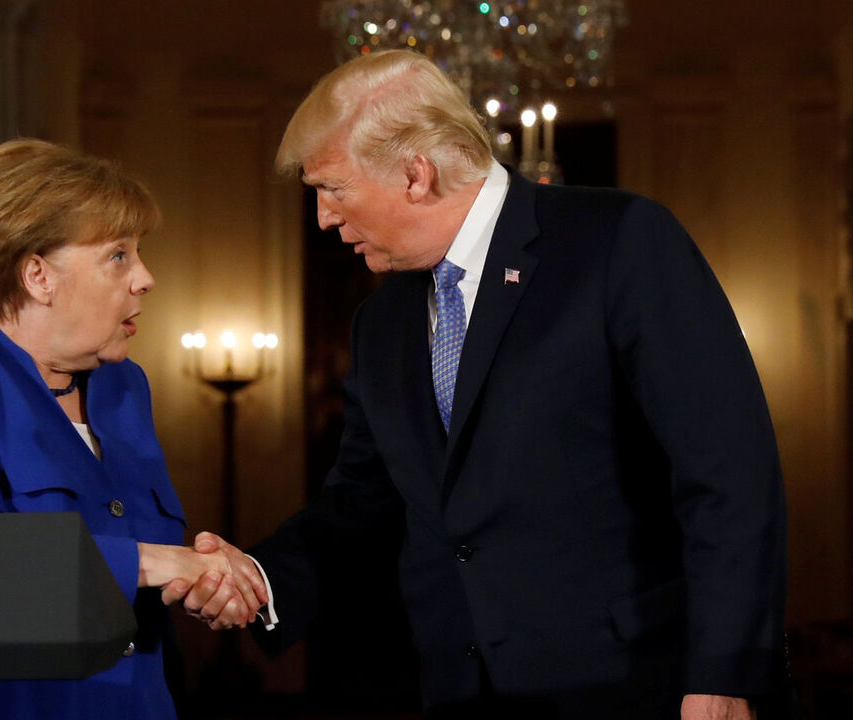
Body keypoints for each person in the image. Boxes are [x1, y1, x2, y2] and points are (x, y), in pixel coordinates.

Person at [164, 50, 787, 719]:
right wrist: (259, 577)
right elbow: (361, 506)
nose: (322, 217)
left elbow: (728, 474)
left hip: (639, 689)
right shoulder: (382, 322)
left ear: (415, 174)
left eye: (333, 189)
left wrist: (724, 676)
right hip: (461, 696)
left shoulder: (618, 242)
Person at [0, 139, 266, 720]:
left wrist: (207, 585)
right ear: (37, 276)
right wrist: (157, 563)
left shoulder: (125, 386)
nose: (146, 278)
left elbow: (147, 574)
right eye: (118, 256)